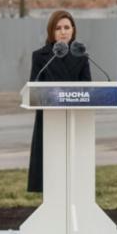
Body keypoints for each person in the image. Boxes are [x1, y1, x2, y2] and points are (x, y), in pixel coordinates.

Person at [26, 10, 91, 192]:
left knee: (72, 171)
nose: (63, 32)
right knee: (50, 167)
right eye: (58, 28)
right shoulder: (40, 56)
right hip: (49, 119)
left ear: (73, 30)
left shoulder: (81, 56)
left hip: (74, 119)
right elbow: (35, 87)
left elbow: (88, 88)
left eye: (67, 27)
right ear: (51, 32)